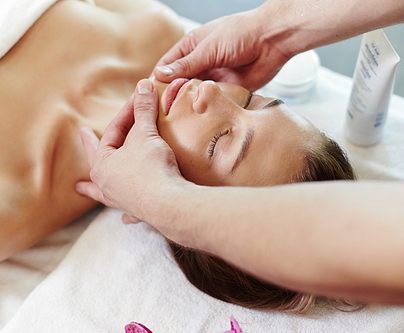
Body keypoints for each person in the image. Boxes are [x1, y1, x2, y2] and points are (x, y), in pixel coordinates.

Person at [0, 0, 357, 312]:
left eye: (221, 140)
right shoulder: (154, 32)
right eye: (254, 101)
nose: (215, 97)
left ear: (174, 208)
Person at [76, 0, 404, 305]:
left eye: (219, 141)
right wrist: (271, 31)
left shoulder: (41, 179)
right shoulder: (160, 27)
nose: (211, 90)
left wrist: (161, 203)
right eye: (251, 100)